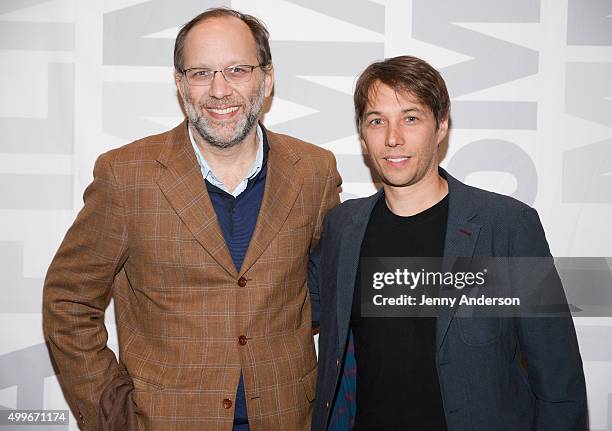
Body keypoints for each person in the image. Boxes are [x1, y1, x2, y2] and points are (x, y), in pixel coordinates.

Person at [43, 8, 341, 431]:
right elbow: (67, 301)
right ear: (181, 84)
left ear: (267, 78)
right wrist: (114, 414)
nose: (220, 90)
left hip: (289, 419)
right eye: (201, 73)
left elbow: (326, 292)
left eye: (237, 70)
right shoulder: (126, 176)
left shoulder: (315, 171)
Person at [310, 56, 587, 430]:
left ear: (440, 127)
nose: (393, 138)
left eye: (411, 118)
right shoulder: (343, 227)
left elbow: (558, 378)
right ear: (362, 134)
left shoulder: (505, 226)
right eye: (377, 121)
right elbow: (287, 308)